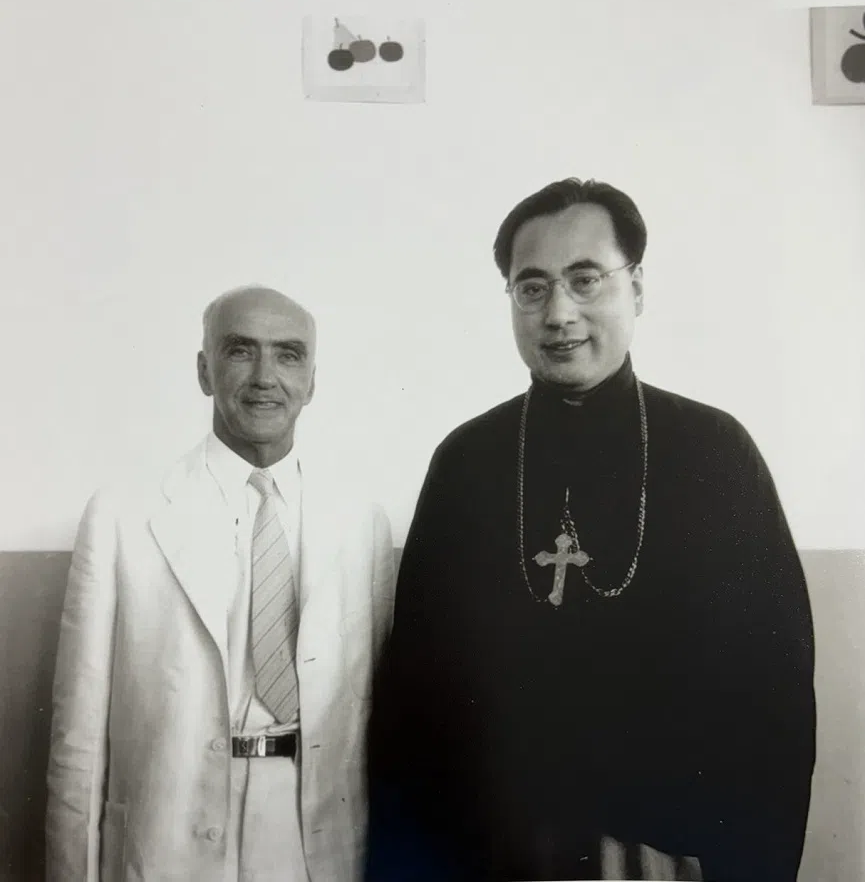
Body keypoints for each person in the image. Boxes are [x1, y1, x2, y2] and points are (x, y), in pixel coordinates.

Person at [366, 179, 816, 882]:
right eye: (532, 288)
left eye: (585, 280)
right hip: (491, 856)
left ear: (635, 287)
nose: (558, 314)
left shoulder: (715, 453)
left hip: (673, 854)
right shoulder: (466, 461)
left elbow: (775, 695)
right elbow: (414, 695)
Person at [47, 285, 395, 882]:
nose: (265, 377)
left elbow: (378, 718)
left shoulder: (362, 521)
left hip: (313, 841)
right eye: (240, 350)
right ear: (205, 371)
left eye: (288, 355)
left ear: (312, 380)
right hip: (166, 837)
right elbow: (77, 736)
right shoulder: (123, 513)